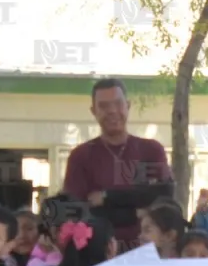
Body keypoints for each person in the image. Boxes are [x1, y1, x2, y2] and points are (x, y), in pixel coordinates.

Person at [61, 78, 173, 245]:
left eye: (118, 104)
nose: (112, 111)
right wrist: (136, 210)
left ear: (128, 106)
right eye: (104, 106)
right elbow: (76, 213)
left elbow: (163, 203)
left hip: (147, 251)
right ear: (94, 111)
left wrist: (107, 198)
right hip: (98, 253)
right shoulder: (81, 156)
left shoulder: (150, 150)